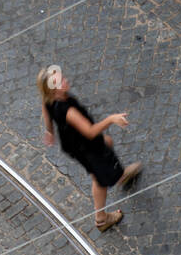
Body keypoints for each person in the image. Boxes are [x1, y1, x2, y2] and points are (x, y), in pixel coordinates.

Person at [37, 65, 142, 232]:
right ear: (53, 91)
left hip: (75, 144)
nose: (65, 80)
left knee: (107, 144)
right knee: (100, 179)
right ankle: (101, 219)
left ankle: (119, 174)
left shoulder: (51, 99)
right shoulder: (68, 111)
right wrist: (111, 119)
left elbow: (45, 108)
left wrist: (49, 131)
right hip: (87, 146)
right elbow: (90, 132)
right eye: (60, 82)